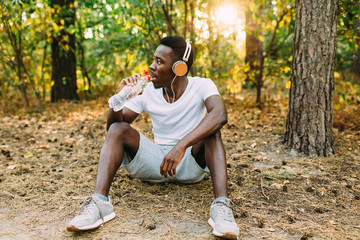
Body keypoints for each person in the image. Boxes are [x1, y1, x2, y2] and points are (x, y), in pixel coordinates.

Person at [66, 35, 240, 239]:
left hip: (190, 163)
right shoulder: (146, 90)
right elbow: (113, 128)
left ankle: (221, 207)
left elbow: (220, 115)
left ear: (179, 68)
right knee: (118, 129)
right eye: (153, 60)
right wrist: (119, 98)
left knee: (213, 132)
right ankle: (100, 204)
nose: (151, 66)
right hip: (157, 164)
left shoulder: (202, 85)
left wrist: (181, 145)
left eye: (159, 61)